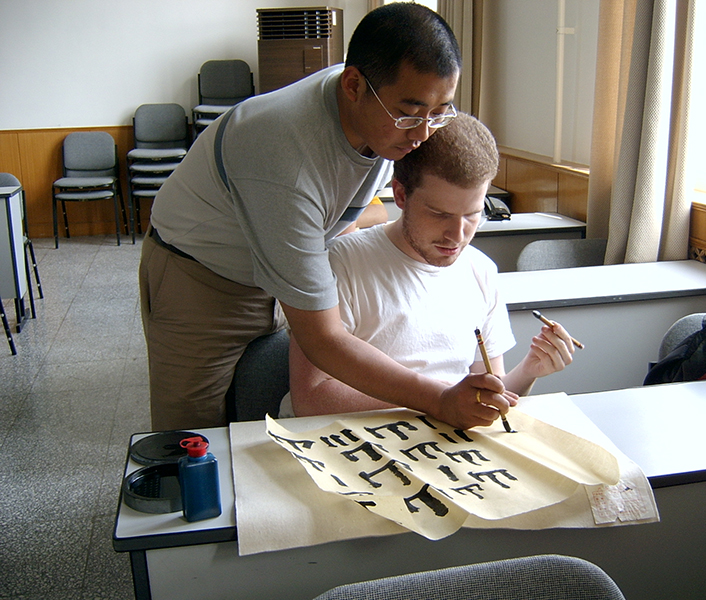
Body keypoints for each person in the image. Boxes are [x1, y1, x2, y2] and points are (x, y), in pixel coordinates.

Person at [139, 2, 510, 432]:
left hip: (274, 261)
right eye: (410, 113)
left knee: (258, 412)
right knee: (194, 437)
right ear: (352, 85)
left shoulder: (384, 116)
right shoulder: (284, 157)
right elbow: (323, 339)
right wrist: (439, 399)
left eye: (440, 110)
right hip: (204, 278)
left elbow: (339, 208)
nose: (424, 133)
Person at [284, 113, 576, 419]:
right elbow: (311, 398)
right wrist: (438, 399)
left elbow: (487, 392)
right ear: (400, 194)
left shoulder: (481, 271)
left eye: (473, 215)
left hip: (441, 446)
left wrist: (530, 370)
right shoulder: (341, 263)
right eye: (439, 213)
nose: (458, 235)